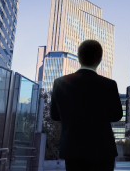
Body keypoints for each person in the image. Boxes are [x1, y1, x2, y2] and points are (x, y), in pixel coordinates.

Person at [50, 39, 123, 171]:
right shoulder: (109, 84)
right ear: (99, 59)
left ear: (79, 57)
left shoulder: (60, 82)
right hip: (102, 149)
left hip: (73, 149)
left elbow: (55, 115)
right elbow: (117, 115)